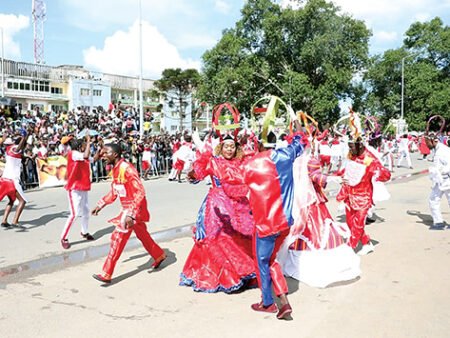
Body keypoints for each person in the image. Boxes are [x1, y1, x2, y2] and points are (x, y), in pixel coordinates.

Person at [227, 113, 305, 320]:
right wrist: (296, 124)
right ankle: (281, 301)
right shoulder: (286, 154)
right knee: (271, 260)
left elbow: (229, 178)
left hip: (265, 225)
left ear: (258, 144)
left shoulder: (250, 165)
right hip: (285, 222)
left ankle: (270, 302)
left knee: (264, 262)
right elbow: (301, 140)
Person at [180, 134, 256, 293]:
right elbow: (196, 177)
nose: (229, 149)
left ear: (236, 148)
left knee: (239, 239)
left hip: (238, 205)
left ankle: (243, 274)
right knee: (220, 239)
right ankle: (228, 278)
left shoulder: (241, 162)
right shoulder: (213, 162)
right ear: (221, 147)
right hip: (217, 206)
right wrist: (194, 168)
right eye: (226, 146)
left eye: (232, 146)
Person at [278, 151, 361, 288]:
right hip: (310, 203)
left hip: (297, 200)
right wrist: (333, 178)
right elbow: (315, 175)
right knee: (316, 232)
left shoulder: (290, 157)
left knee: (300, 230)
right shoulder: (308, 159)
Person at [91, 143, 166, 283]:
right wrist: (100, 204)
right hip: (128, 208)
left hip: (134, 208)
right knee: (142, 234)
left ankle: (106, 273)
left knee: (117, 238)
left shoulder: (127, 169)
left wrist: (131, 214)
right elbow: (114, 192)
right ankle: (159, 255)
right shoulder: (115, 170)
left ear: (115, 154)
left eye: (106, 153)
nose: (103, 156)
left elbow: (140, 192)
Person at [336, 136, 391, 255]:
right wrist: (338, 175)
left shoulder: (369, 158)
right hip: (349, 194)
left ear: (359, 145)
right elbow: (347, 169)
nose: (349, 150)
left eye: (351, 147)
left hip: (363, 196)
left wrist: (378, 173)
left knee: (358, 224)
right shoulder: (352, 154)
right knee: (351, 223)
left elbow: (386, 174)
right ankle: (367, 243)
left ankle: (349, 248)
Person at [60, 134, 94, 249]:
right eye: (84, 145)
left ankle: (84, 232)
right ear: (80, 146)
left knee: (86, 211)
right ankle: (63, 237)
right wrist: (89, 142)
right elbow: (85, 155)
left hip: (83, 187)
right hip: (74, 188)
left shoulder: (82, 155)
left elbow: (94, 158)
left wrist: (101, 148)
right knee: (74, 214)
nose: (86, 146)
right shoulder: (73, 154)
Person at [1, 131, 28, 228]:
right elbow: (18, 148)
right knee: (22, 201)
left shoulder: (8, 149)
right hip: (12, 181)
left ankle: (4, 220)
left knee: (11, 201)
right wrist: (24, 138)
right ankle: (15, 221)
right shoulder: (16, 148)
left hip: (5, 179)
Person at [424, 133, 450, 230]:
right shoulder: (438, 149)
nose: (427, 145)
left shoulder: (442, 151)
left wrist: (438, 171)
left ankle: (438, 222)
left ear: (434, 140)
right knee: (434, 200)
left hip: (445, 179)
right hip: (440, 180)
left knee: (433, 200)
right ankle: (438, 222)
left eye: (427, 142)